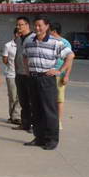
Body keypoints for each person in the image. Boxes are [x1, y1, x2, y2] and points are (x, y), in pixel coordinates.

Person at [23, 15, 74, 150]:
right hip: (33, 78)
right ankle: (39, 138)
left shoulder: (55, 42)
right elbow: (24, 55)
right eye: (35, 25)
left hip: (47, 79)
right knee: (36, 109)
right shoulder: (29, 41)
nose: (37, 28)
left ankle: (52, 140)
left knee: (49, 110)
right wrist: (27, 70)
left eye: (40, 25)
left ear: (46, 26)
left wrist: (59, 71)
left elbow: (70, 56)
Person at [48, 22, 73, 131]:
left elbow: (70, 60)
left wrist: (66, 75)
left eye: (48, 30)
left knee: (59, 99)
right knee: (47, 99)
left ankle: (58, 122)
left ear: (53, 31)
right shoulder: (48, 41)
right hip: (48, 74)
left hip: (59, 75)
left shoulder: (65, 43)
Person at [13, 17, 35, 133]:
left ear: (27, 25)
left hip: (30, 74)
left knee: (32, 101)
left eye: (20, 24)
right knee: (23, 101)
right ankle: (25, 123)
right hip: (19, 74)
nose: (18, 27)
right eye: (17, 25)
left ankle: (33, 125)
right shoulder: (18, 39)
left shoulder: (33, 38)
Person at [2, 28, 21, 125]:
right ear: (15, 34)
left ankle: (16, 116)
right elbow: (4, 60)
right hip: (11, 74)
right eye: (19, 33)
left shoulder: (24, 45)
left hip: (21, 74)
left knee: (20, 96)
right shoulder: (8, 45)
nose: (20, 35)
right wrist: (11, 65)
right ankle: (12, 116)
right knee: (13, 96)